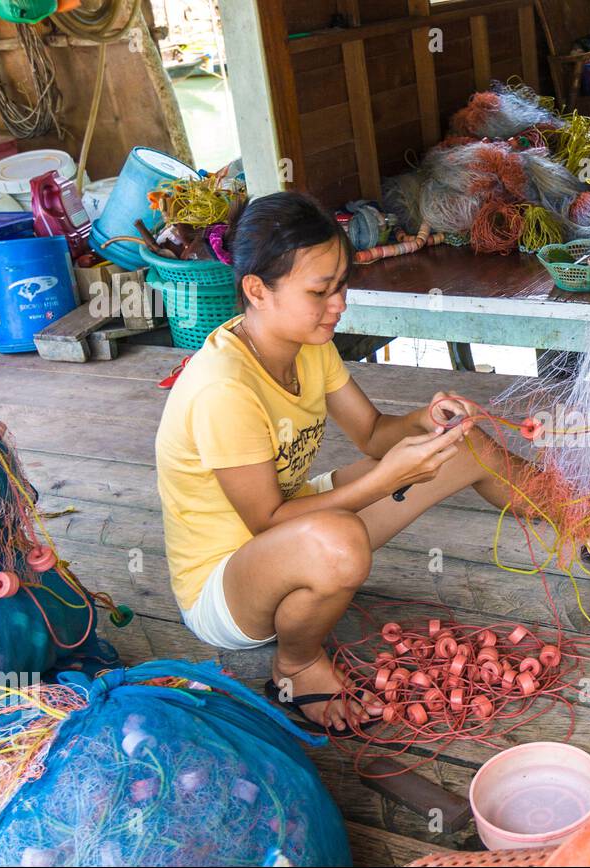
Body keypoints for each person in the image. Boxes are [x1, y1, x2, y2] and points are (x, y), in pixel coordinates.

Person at [155, 191, 546, 734]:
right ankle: (294, 665)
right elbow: (265, 522)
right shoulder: (224, 388)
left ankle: (585, 521)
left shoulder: (308, 343)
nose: (338, 304)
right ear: (256, 290)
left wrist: (424, 419)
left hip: (296, 523)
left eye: (341, 285)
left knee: (466, 443)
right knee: (340, 543)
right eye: (320, 291)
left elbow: (371, 433)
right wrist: (389, 478)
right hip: (227, 585)